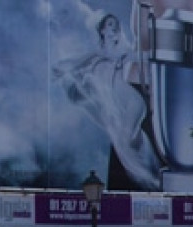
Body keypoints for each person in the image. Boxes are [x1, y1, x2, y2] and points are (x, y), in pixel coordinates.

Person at [53, 11, 160, 190]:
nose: (114, 27)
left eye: (116, 25)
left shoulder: (122, 52)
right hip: (118, 107)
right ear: (102, 30)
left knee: (125, 140)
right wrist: (61, 71)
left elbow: (142, 57)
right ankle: (150, 176)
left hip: (132, 103)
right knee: (124, 141)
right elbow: (72, 64)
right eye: (110, 24)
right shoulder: (95, 56)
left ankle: (150, 179)